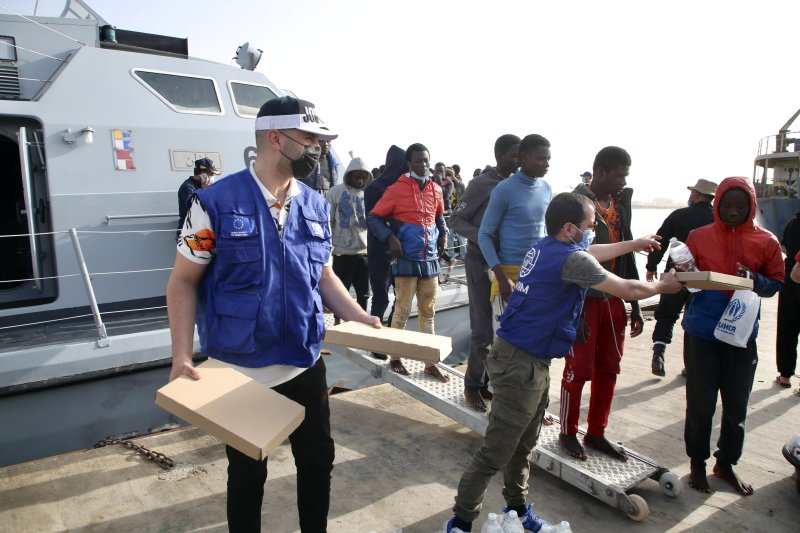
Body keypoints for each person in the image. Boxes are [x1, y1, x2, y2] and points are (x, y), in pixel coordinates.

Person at [167, 95, 381, 532]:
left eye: (320, 141)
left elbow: (324, 277)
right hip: (241, 368)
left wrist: (359, 315)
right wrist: (181, 355)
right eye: (309, 139)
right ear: (275, 138)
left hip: (303, 361)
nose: (318, 149)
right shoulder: (213, 204)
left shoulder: (316, 205)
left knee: (317, 461)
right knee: (248, 473)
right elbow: (183, 281)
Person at [444, 192, 682, 533]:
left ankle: (518, 512)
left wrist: (635, 243)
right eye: (590, 224)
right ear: (570, 229)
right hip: (520, 365)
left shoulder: (546, 246)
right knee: (496, 451)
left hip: (527, 360)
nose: (594, 229)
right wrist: (662, 286)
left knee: (524, 446)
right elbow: (628, 290)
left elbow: (590, 253)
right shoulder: (570, 259)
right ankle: (461, 522)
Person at [682, 176, 784, 496]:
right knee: (701, 403)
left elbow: (776, 282)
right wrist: (683, 276)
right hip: (702, 332)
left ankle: (725, 463)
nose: (733, 211)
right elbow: (684, 276)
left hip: (741, 336)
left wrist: (753, 279)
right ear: (717, 205)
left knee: (737, 406)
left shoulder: (766, 241)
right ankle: (697, 462)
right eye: (727, 205)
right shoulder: (698, 237)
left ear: (751, 207)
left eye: (741, 206)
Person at [559, 146, 642, 462]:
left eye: (626, 176)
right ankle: (567, 431)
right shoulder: (575, 204)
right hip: (585, 300)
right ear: (600, 172)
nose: (623, 182)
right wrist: (573, 310)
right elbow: (566, 255)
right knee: (578, 368)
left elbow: (627, 253)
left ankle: (596, 432)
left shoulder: (620, 203)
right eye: (619, 176)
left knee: (609, 367)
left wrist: (635, 304)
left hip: (615, 298)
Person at [449, 134, 520, 412]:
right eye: (514, 155)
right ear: (499, 156)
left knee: (503, 329)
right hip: (480, 260)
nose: (519, 160)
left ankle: (490, 384)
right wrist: (483, 235)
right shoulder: (482, 184)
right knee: (482, 329)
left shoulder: (519, 184)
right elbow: (456, 219)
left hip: (507, 263)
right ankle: (472, 385)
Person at [368, 143, 449, 382]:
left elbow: (439, 216)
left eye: (426, 160)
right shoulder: (396, 189)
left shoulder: (436, 189)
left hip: (430, 258)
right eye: (418, 161)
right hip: (406, 258)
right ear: (409, 163)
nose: (423, 165)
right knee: (402, 310)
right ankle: (395, 357)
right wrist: (389, 237)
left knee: (428, 312)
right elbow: (374, 217)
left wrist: (443, 234)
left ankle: (430, 363)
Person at [478, 134, 552, 334]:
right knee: (506, 344)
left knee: (535, 339)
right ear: (524, 157)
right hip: (508, 278)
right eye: (541, 158)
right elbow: (484, 235)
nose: (547, 164)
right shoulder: (503, 190)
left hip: (537, 276)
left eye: (548, 159)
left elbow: (545, 231)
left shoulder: (546, 188)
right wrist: (501, 278)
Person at [646, 178, 716, 376]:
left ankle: (658, 353)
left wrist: (651, 266)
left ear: (696, 194)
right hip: (704, 275)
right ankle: (691, 366)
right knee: (695, 319)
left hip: (675, 272)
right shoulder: (717, 219)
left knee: (666, 314)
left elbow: (660, 241)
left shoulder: (679, 215)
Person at [364, 145, 407, 359]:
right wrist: (390, 235)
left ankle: (391, 338)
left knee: (401, 298)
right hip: (380, 250)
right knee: (381, 297)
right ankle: (376, 343)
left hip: (402, 253)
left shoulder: (405, 187)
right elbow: (372, 220)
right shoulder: (374, 188)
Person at [325, 157, 373, 318]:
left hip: (364, 252)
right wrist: (327, 246)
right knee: (340, 293)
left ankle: (362, 321)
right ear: (349, 175)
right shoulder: (335, 192)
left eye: (363, 177)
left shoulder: (370, 194)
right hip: (342, 252)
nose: (360, 181)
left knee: (363, 293)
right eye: (357, 177)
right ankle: (338, 322)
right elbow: (328, 220)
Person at [776, 210, 800, 388]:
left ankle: (785, 375)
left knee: (787, 328)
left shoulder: (792, 224)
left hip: (790, 280)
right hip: (794, 274)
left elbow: (784, 247)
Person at [177, 157, 219, 238]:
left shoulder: (206, 186)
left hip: (203, 230)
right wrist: (204, 191)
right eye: (211, 174)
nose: (213, 176)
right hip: (190, 233)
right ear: (203, 174)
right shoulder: (188, 187)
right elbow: (195, 208)